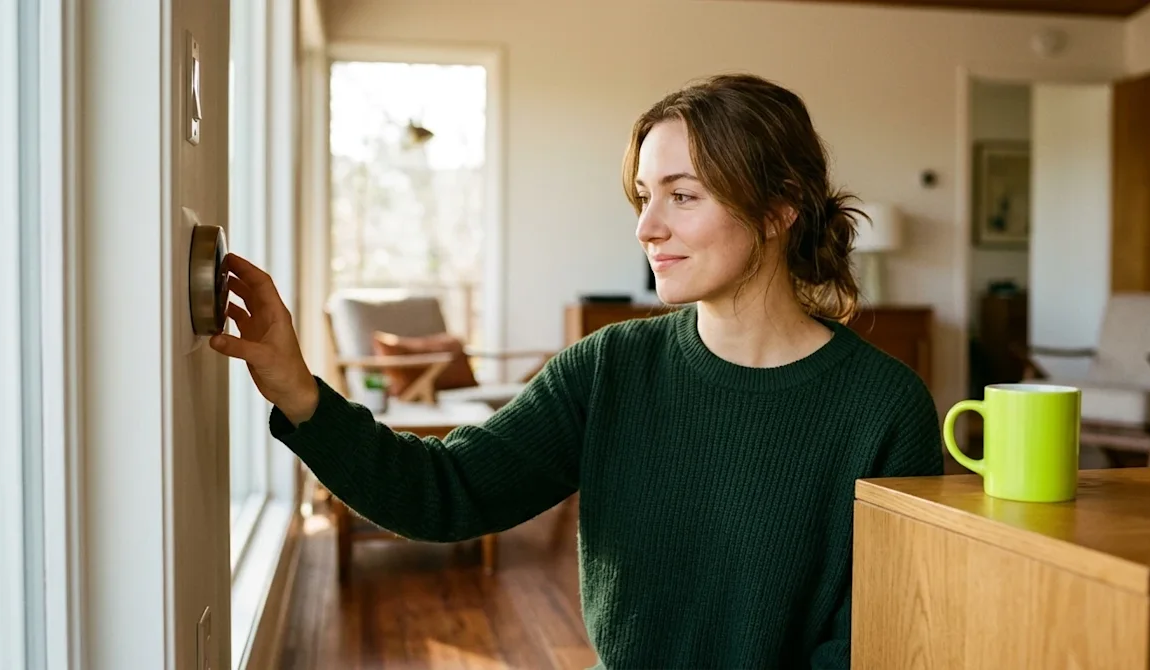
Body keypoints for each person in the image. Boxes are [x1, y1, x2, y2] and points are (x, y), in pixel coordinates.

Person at [210, 72, 944, 669]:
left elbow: (868, 645)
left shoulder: (884, 407)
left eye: (683, 196)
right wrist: (301, 394)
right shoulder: (611, 368)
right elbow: (444, 494)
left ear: (779, 208)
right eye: (645, 196)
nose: (648, 227)